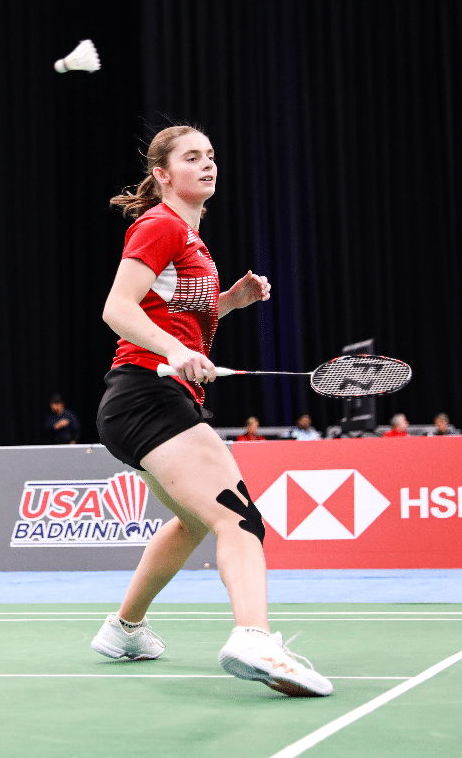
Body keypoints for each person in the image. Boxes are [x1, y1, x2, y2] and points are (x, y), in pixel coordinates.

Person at [90, 125, 331, 696]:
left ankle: (124, 629)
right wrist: (175, 351)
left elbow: (173, 314)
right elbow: (117, 308)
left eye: (212, 156)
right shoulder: (159, 225)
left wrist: (229, 303)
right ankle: (254, 636)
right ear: (162, 174)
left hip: (144, 400)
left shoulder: (193, 241)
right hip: (147, 393)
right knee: (240, 518)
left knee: (197, 520)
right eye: (191, 157)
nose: (207, 165)